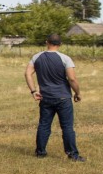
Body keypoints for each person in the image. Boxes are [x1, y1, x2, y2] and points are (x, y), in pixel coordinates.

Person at [25, 33, 85, 161]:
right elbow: (72, 78)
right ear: (60, 44)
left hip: (45, 97)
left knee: (44, 125)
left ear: (47, 42)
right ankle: (73, 155)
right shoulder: (65, 58)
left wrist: (33, 91)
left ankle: (40, 152)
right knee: (67, 127)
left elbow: (28, 73)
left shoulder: (36, 57)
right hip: (63, 98)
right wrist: (78, 93)